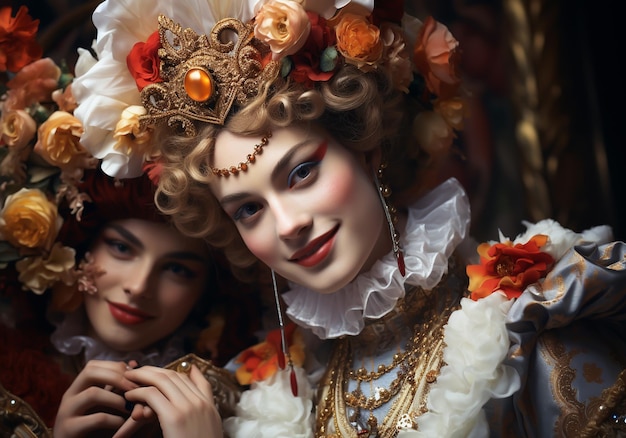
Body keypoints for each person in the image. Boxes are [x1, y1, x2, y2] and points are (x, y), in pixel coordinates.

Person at [71, 0, 626, 436]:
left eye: (301, 174)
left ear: (366, 152)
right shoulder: (269, 395)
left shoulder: (535, 331)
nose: (287, 224)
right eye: (248, 208)